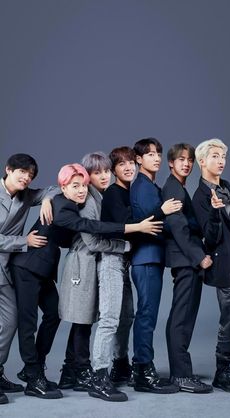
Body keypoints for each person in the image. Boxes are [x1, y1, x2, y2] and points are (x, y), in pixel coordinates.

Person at [10, 163, 162, 400]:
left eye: (83, 186)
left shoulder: (65, 201)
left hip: (44, 268)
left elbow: (49, 190)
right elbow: (91, 227)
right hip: (26, 267)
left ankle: (34, 368)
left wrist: (49, 197)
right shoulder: (63, 208)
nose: (82, 190)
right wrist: (136, 228)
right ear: (65, 188)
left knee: (53, 315)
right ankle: (33, 375)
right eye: (75, 186)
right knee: (28, 322)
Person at [58, 152, 129, 392]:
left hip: (88, 263)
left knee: (83, 320)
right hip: (82, 264)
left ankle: (71, 373)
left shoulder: (98, 196)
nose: (104, 176)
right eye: (97, 172)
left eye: (107, 171)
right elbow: (93, 243)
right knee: (82, 321)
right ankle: (82, 370)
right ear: (88, 175)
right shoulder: (88, 198)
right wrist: (124, 246)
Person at [0, 153, 57, 404]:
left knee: (10, 322)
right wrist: (25, 241)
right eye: (22, 172)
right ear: (8, 170)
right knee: (10, 322)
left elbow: (56, 188)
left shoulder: (25, 195)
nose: (26, 178)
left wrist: (45, 199)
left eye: (31, 175)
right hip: (10, 257)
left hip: (6, 268)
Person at [129, 138, 182, 394]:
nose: (157, 158)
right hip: (146, 257)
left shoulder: (150, 184)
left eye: (159, 153)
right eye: (150, 154)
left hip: (152, 257)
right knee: (147, 315)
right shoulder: (141, 185)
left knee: (146, 314)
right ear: (139, 159)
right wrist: (162, 210)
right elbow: (142, 220)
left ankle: (140, 368)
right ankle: (143, 371)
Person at [162, 143, 213, 393]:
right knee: (182, 317)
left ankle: (180, 372)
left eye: (190, 160)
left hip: (186, 259)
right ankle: (181, 376)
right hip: (185, 260)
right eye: (181, 159)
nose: (187, 164)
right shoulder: (172, 188)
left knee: (182, 315)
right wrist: (198, 257)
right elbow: (178, 227)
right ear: (171, 163)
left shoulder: (179, 187)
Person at [88, 146, 137, 402]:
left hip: (124, 261)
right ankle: (99, 376)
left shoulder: (129, 192)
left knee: (127, 315)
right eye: (122, 164)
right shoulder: (109, 196)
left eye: (132, 163)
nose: (128, 168)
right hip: (110, 260)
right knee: (109, 318)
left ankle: (120, 364)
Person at [193, 138, 230, 393]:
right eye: (215, 156)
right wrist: (214, 213)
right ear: (202, 161)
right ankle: (222, 371)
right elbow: (210, 237)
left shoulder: (227, 186)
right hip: (225, 265)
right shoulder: (200, 195)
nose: (221, 161)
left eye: (223, 157)